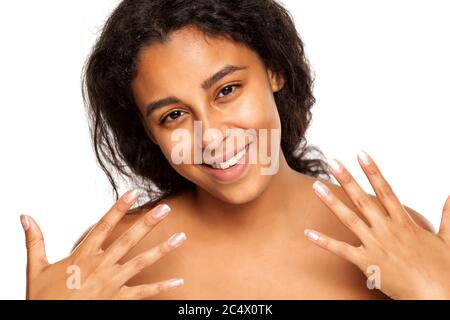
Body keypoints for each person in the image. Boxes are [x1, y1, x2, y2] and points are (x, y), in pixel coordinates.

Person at [21, 0, 450, 299]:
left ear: (275, 70)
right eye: (173, 115)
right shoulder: (113, 260)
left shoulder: (390, 240)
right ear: (149, 132)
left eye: (226, 90)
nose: (209, 136)